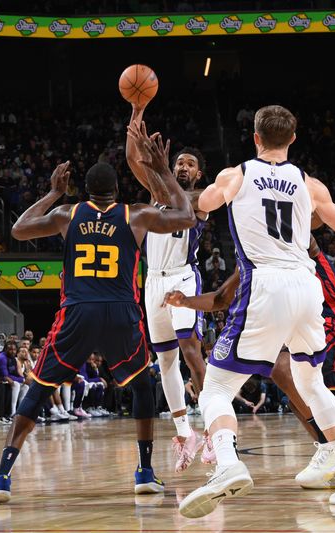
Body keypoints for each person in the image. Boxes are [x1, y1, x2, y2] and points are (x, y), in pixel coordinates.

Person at [0, 126, 197, 505]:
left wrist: (52, 193)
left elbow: (18, 229)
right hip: (121, 311)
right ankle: (144, 472)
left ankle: (0, 477)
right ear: (116, 191)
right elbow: (187, 217)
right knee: (142, 387)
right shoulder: (137, 215)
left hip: (77, 311)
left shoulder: (67, 213)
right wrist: (161, 170)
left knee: (39, 389)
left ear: (87, 190)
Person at [175, 105, 335, 518]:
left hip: (265, 284)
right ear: (293, 139)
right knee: (312, 383)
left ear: (256, 138)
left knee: (215, 388)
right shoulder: (308, 182)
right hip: (306, 284)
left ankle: (227, 465)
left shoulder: (237, 174)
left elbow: (202, 205)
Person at [165, 231, 335, 490]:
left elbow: (315, 223)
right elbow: (222, 297)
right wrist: (186, 302)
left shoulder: (287, 235)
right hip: (301, 314)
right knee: (289, 383)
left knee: (293, 376)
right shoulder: (252, 253)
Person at [126, 103, 208, 472]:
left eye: (189, 163)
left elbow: (183, 202)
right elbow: (132, 158)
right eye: (179, 162)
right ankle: (183, 432)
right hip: (153, 280)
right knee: (165, 361)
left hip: (182, 277)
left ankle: (215, 430)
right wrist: (136, 113)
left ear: (199, 172)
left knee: (191, 350)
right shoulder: (158, 190)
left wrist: (160, 171)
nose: (182, 166)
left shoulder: (199, 199)